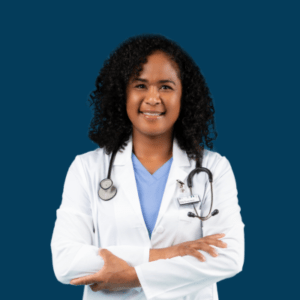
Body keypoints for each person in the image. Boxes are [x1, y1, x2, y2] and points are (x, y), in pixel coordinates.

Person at [51, 34, 245, 300]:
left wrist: (132, 276)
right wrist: (168, 254)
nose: (153, 98)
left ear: (183, 96)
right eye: (140, 85)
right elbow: (66, 262)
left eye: (165, 87)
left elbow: (228, 257)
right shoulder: (86, 169)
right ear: (123, 93)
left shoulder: (213, 169)